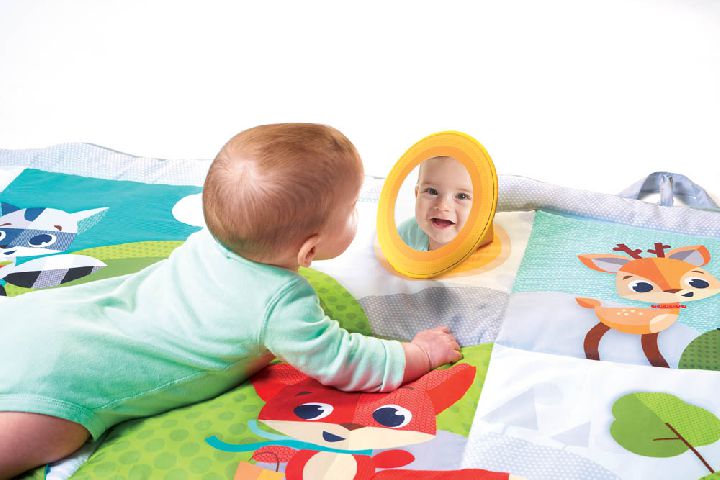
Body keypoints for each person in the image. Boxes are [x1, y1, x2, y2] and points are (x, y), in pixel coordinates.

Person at [0, 124, 463, 478]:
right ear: (308, 250)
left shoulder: (208, 240)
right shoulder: (282, 304)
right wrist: (419, 353)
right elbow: (345, 361)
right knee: (45, 439)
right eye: (351, 209)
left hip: (41, 319)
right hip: (65, 383)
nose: (358, 214)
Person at [398, 155, 473, 250]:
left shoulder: (482, 248)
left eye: (462, 196)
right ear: (417, 195)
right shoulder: (407, 233)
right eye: (432, 191)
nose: (443, 206)